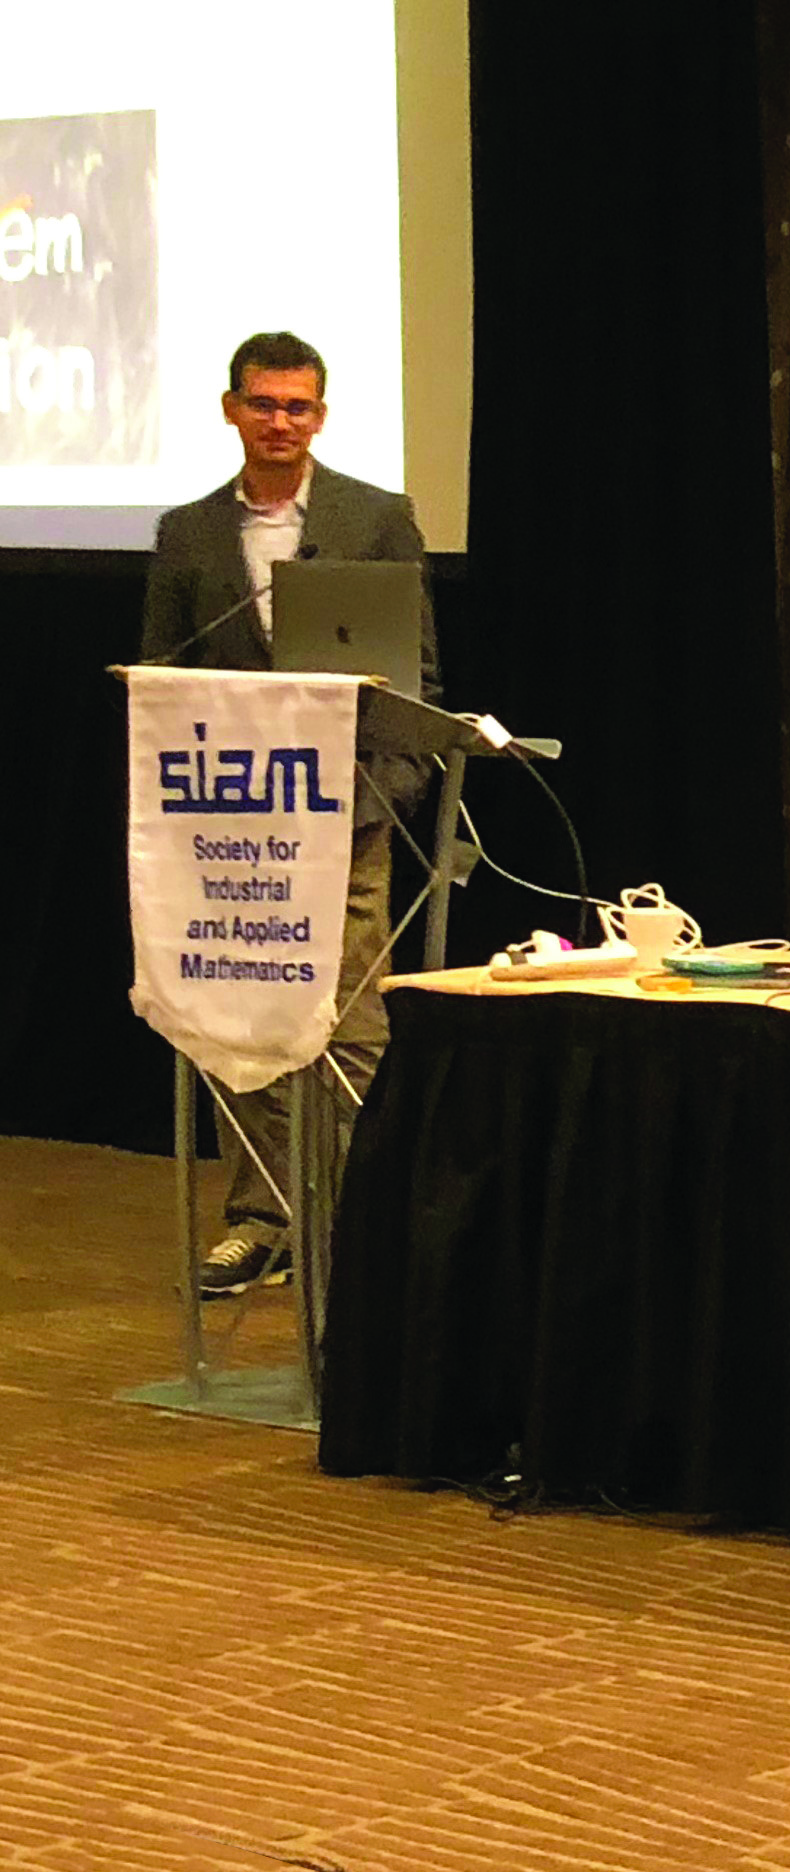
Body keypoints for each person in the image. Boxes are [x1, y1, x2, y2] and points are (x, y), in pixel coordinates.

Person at [140, 332, 438, 1300]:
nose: (281, 423)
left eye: (298, 407)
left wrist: (394, 785)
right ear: (231, 409)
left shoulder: (375, 518)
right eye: (264, 404)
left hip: (345, 813)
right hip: (231, 819)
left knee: (350, 1023)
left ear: (321, 415)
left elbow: (418, 672)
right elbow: (164, 676)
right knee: (243, 1010)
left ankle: (357, 1220)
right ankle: (264, 1218)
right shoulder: (187, 534)